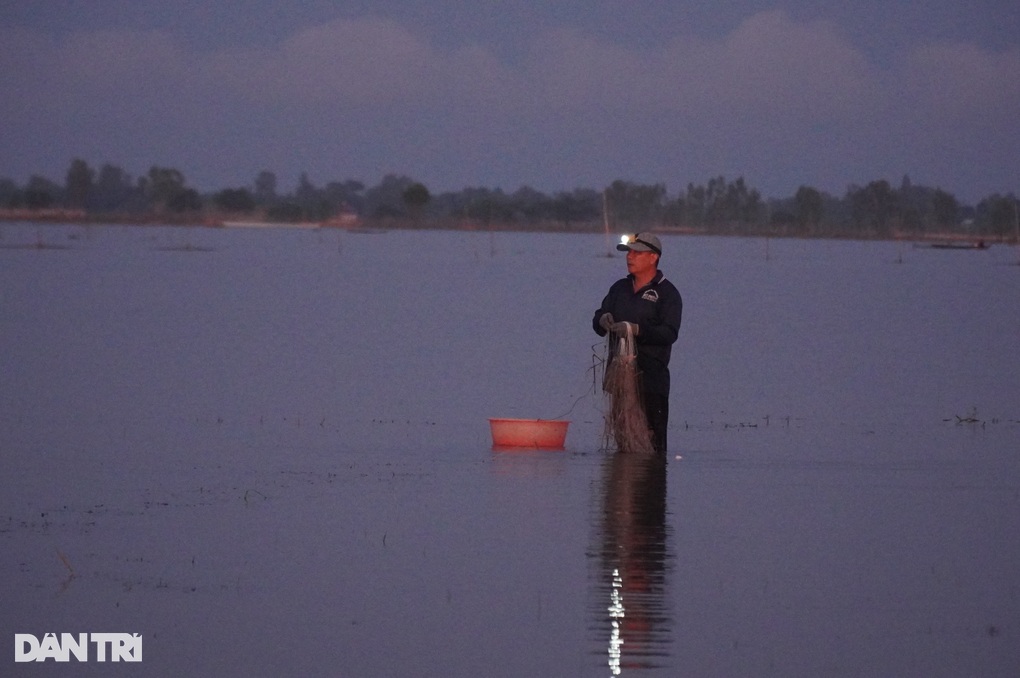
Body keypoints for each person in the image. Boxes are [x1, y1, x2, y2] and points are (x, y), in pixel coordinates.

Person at [593, 233, 683, 454]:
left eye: (637, 253)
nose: (630, 257)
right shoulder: (619, 289)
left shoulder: (667, 294)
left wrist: (637, 330)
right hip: (620, 374)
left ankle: (652, 484)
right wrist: (602, 320)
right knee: (623, 434)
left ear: (653, 257)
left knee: (653, 441)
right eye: (629, 252)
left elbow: (669, 333)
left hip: (652, 379)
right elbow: (598, 319)